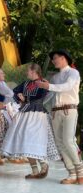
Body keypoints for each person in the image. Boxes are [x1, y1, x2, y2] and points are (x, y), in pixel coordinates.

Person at [2, 63, 60, 179]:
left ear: (34, 71)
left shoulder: (43, 82)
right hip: (25, 113)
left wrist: (26, 98)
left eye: (28, 71)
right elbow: (14, 92)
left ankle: (43, 164)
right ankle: (34, 170)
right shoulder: (26, 83)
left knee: (32, 138)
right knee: (24, 139)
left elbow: (41, 96)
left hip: (37, 114)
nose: (27, 73)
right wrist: (20, 98)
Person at [37, 49, 83, 184]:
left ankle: (80, 172)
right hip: (55, 112)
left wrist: (49, 85)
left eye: (55, 58)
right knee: (60, 143)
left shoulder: (73, 73)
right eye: (52, 59)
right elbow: (51, 95)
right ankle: (72, 173)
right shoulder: (55, 77)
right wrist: (34, 103)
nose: (53, 61)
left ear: (63, 58)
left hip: (70, 110)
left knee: (69, 141)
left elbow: (67, 86)